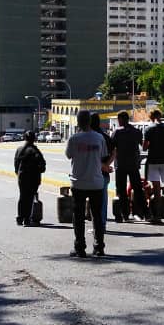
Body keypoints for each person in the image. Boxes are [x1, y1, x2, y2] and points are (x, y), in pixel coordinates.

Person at [65, 109, 106, 257]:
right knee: (97, 216)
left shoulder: (74, 138)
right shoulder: (99, 138)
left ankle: (80, 247)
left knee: (79, 216)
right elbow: (102, 155)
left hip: (79, 182)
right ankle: (99, 247)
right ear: (90, 121)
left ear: (78, 122)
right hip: (96, 182)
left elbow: (69, 155)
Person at [142, 109, 164, 224]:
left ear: (152, 117)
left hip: (153, 161)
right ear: (160, 116)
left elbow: (144, 147)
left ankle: (157, 215)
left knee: (157, 189)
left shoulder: (148, 129)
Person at [111, 111, 147, 222]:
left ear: (121, 120)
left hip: (121, 164)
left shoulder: (117, 132)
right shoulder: (136, 131)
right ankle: (145, 212)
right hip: (133, 164)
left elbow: (111, 147)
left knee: (121, 191)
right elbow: (143, 145)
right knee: (138, 189)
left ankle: (125, 214)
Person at [13, 130, 46, 226]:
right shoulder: (35, 151)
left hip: (22, 177)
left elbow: (16, 164)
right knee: (30, 198)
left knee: (22, 197)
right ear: (34, 139)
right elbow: (42, 166)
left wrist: (18, 173)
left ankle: (20, 218)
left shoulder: (19, 149)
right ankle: (26, 219)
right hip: (33, 178)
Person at [89, 113, 115, 226]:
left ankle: (96, 225)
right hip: (103, 173)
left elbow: (90, 157)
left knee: (92, 201)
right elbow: (114, 152)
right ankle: (102, 224)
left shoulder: (88, 137)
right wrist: (106, 164)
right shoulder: (105, 136)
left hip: (90, 173)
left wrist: (103, 165)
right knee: (103, 200)